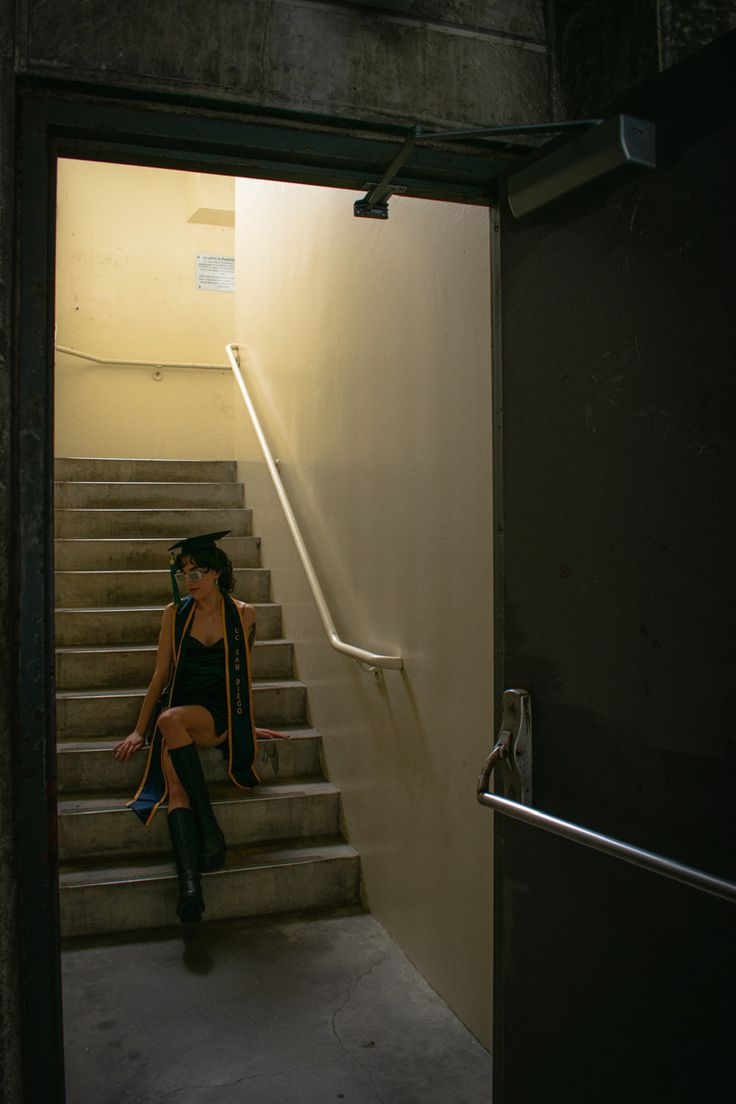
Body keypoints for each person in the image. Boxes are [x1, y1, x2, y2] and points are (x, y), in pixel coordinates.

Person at [114, 531, 263, 925]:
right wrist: (138, 731)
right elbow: (160, 674)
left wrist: (247, 725)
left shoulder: (243, 613)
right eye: (184, 574)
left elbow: (242, 677)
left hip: (214, 714)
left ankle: (209, 825)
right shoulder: (174, 613)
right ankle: (190, 888)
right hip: (177, 713)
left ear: (216, 573)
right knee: (175, 789)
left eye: (197, 571)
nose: (190, 580)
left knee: (170, 720)